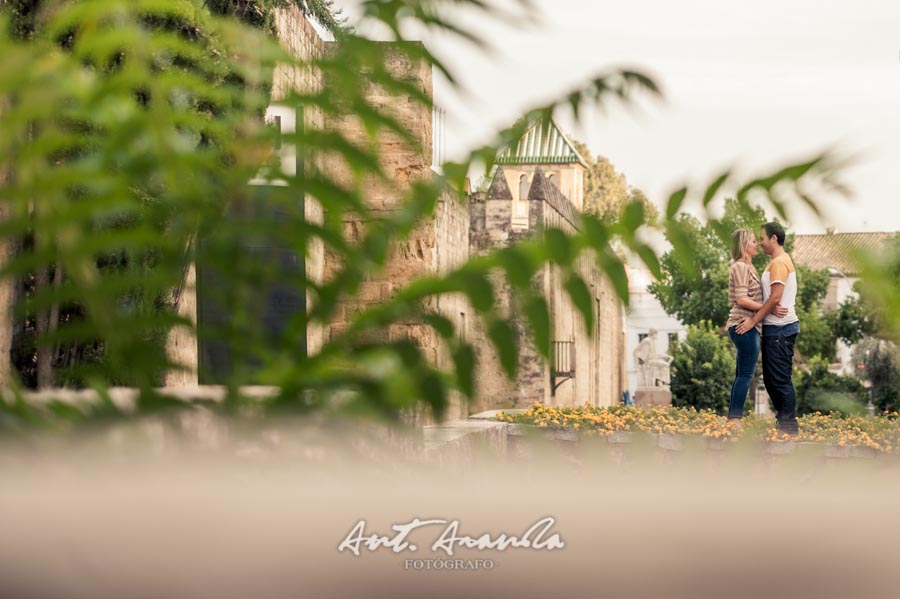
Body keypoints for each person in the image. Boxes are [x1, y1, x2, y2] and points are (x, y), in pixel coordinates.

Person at [735, 222, 800, 435]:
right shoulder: (776, 262)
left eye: (762, 238)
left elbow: (775, 297)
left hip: (781, 329)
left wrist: (753, 321)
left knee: (779, 380)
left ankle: (788, 428)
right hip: (775, 329)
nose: (760, 243)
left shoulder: (779, 263)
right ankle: (784, 425)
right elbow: (771, 300)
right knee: (772, 380)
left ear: (774, 238)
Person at [725, 229, 787, 423]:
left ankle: (733, 418)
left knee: (741, 374)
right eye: (753, 241)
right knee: (745, 374)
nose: (757, 244)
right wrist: (769, 308)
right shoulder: (741, 267)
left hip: (746, 326)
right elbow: (741, 299)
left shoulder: (747, 267)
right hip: (744, 325)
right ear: (744, 246)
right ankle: (735, 419)